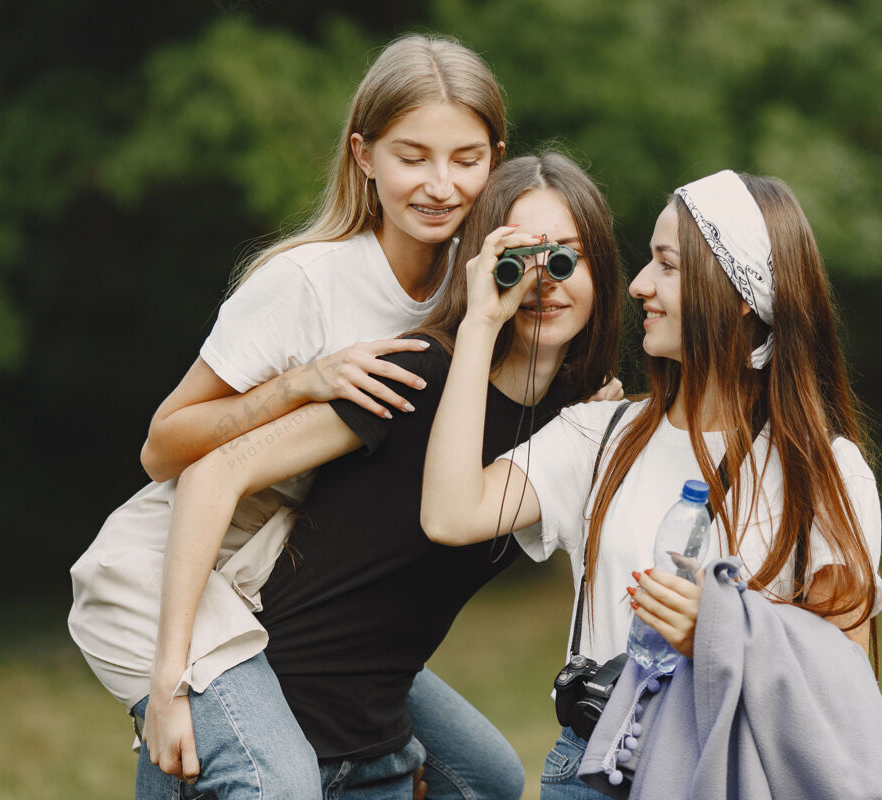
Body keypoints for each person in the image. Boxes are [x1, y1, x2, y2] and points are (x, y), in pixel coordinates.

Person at [69, 33, 538, 800]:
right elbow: (162, 450)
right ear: (364, 155)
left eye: (466, 158)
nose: (440, 184)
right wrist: (297, 385)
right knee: (275, 783)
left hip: (288, 584)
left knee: (484, 776)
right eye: (411, 156)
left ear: (496, 157)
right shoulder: (307, 282)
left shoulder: (473, 287)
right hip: (176, 565)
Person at [140, 151, 619, 800]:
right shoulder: (416, 374)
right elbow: (210, 474)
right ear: (481, 266)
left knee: (493, 781)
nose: (545, 281)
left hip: (377, 721)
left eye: (568, 256)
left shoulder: (574, 417)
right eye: (519, 258)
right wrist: (168, 680)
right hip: (277, 695)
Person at [421, 170, 882, 799]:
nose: (639, 284)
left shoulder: (823, 474)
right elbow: (450, 514)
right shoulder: (599, 434)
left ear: (740, 295)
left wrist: (720, 634)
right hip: (589, 771)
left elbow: (846, 676)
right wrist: (479, 325)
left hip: (724, 775)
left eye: (667, 265)